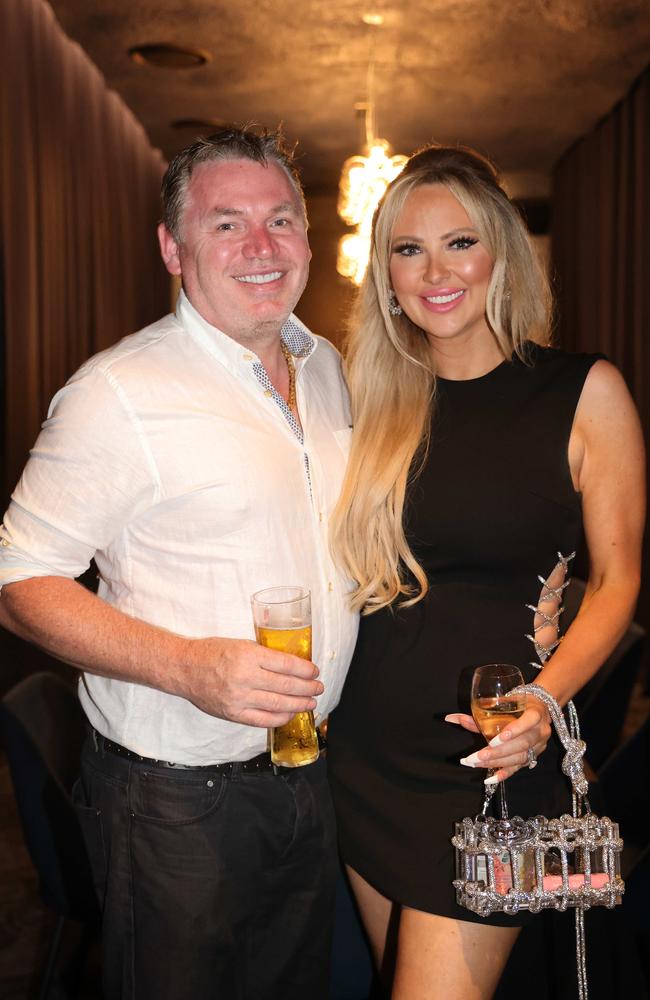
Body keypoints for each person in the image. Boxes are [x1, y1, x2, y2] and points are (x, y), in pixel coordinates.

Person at [0, 126, 357, 1000]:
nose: (263, 247)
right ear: (173, 246)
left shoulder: (330, 370)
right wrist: (189, 665)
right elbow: (17, 581)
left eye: (281, 219)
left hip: (309, 771)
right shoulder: (119, 394)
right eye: (226, 224)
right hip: (175, 801)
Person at [326, 144, 645, 999]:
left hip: (498, 762)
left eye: (459, 243)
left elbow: (618, 583)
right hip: (366, 758)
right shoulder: (369, 403)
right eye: (406, 248)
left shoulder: (584, 392)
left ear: (501, 250)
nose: (435, 271)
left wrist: (544, 700)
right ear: (384, 273)